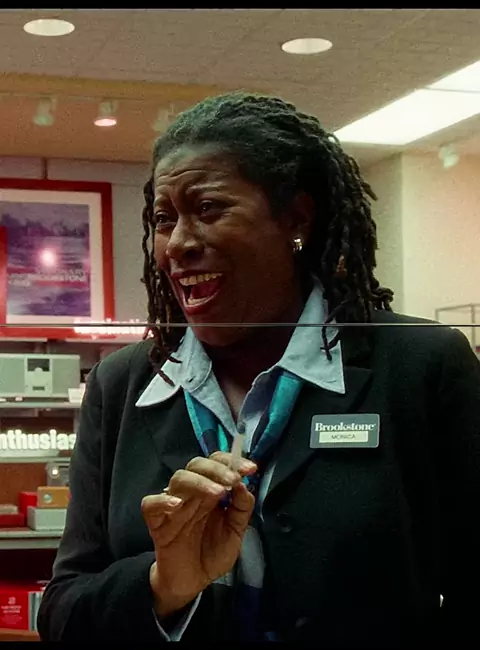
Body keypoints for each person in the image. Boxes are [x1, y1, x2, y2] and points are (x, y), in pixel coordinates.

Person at [37, 92, 480, 646]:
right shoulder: (123, 385)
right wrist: (164, 584)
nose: (178, 244)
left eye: (209, 209)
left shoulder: (420, 366)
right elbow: (62, 611)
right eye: (164, 219)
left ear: (296, 219)